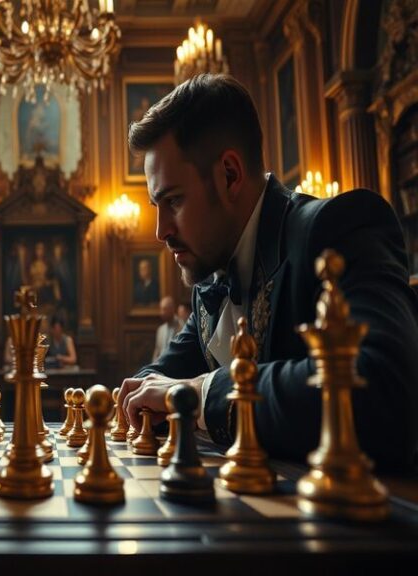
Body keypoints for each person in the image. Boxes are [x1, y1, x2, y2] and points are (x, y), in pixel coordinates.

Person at [118, 73, 418, 471]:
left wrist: (200, 394)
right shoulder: (211, 275)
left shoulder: (339, 228)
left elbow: (386, 389)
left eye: (173, 200)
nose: (161, 231)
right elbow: (164, 376)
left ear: (230, 175)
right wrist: (136, 395)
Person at [152, 296, 182, 362]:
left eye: (164, 309)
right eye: (161, 309)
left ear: (172, 309)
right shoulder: (160, 329)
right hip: (160, 367)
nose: (161, 313)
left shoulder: (182, 327)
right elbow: (157, 351)